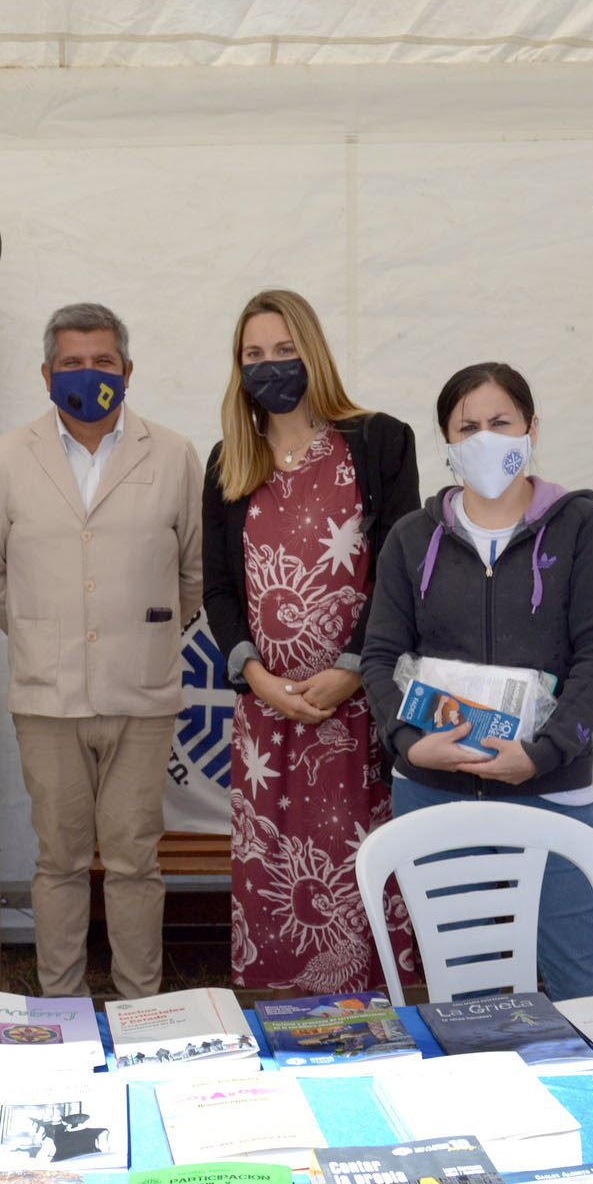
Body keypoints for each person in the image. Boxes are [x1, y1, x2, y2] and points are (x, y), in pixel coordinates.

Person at [361, 362, 593, 1000]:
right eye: (468, 427)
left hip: (552, 791)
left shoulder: (581, 529)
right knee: (468, 992)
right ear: (448, 444)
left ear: (532, 429)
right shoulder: (411, 538)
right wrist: (405, 742)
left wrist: (543, 754)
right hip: (433, 792)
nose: (485, 439)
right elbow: (380, 657)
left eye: (501, 422)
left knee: (582, 984)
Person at [0, 302, 202, 1002]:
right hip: (49, 696)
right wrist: (45, 630)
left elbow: (192, 571)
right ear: (45, 373)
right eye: (72, 363)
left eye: (102, 362)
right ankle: (61, 1006)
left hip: (144, 693)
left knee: (134, 861)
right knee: (60, 860)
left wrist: (139, 631)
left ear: (127, 371)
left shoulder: (175, 455)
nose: (87, 374)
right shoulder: (5, 460)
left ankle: (140, 1006)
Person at [200, 288, 420, 992]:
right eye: (254, 355)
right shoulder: (227, 460)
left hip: (357, 712)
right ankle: (277, 1029)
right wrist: (256, 677)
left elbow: (400, 571)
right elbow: (219, 591)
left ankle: (377, 1026)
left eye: (285, 351)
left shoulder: (379, 440)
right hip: (268, 717)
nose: (271, 366)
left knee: (360, 875)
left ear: (314, 351)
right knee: (276, 885)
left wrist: (353, 668)